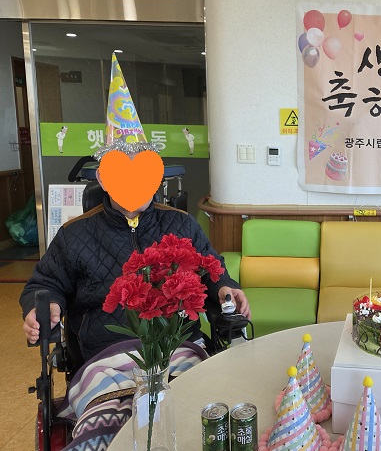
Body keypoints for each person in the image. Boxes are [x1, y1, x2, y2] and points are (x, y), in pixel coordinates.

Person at [20, 54, 250, 362]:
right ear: (103, 179)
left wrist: (225, 288)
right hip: (108, 353)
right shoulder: (74, 234)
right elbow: (45, 282)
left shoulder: (181, 224)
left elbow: (212, 268)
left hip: (178, 345)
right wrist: (44, 308)